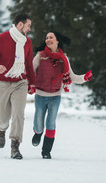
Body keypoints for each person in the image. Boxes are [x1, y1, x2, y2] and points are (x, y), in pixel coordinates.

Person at [31, 31, 92, 159]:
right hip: (41, 95)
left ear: (57, 41)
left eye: (51, 37)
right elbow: (30, 72)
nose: (48, 39)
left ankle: (46, 152)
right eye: (46, 38)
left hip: (55, 96)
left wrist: (84, 78)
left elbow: (72, 77)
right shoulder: (40, 56)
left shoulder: (63, 58)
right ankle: (37, 133)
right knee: (38, 125)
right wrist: (29, 85)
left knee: (51, 123)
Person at [0, 13, 36, 160]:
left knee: (19, 114)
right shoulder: (2, 38)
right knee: (3, 116)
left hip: (20, 82)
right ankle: (1, 129)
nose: (29, 29)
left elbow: (28, 65)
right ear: (20, 25)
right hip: (2, 83)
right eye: (28, 25)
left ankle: (15, 146)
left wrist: (32, 83)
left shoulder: (27, 43)